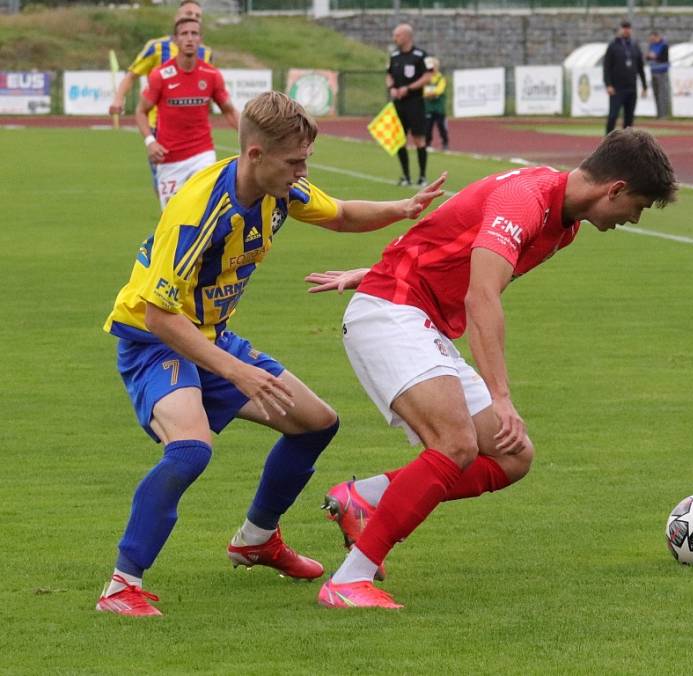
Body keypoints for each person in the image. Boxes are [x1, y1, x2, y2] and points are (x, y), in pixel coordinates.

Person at [95, 91, 446, 617]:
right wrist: (238, 372)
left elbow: (343, 214)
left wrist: (402, 208)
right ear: (256, 155)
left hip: (210, 336)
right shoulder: (199, 212)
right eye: (296, 161)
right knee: (191, 451)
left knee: (316, 423)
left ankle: (256, 539)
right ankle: (121, 587)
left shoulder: (279, 188)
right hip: (155, 343)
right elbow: (158, 316)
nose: (304, 172)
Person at [305, 128, 677, 609]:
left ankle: (365, 497)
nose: (634, 219)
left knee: (512, 456)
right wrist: (501, 396)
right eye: (639, 207)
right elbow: (482, 295)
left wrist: (379, 267)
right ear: (616, 189)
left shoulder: (564, 226)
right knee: (456, 443)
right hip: (392, 311)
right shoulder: (526, 199)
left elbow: (455, 232)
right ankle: (348, 582)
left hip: (416, 317)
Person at [108, 1, 213, 193]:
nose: (193, 18)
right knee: (165, 191)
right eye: (189, 13)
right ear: (177, 19)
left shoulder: (205, 53)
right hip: (160, 130)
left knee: (200, 192)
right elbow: (132, 74)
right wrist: (118, 98)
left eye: (198, 16)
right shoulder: (157, 48)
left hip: (194, 134)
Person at [136, 17, 238, 210]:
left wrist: (252, 138)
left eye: (194, 33)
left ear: (200, 39)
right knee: (174, 221)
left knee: (205, 213)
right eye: (184, 34)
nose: (189, 38)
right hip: (170, 160)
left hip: (202, 155)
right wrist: (150, 142)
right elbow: (141, 111)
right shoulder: (160, 75)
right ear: (175, 40)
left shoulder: (211, 75)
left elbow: (230, 112)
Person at [386, 23, 434, 187]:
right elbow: (389, 76)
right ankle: (406, 176)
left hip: (415, 102)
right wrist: (392, 87)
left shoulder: (421, 55)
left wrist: (409, 88)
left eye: (397, 35)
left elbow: (429, 76)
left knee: (419, 139)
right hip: (399, 104)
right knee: (400, 139)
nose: (395, 38)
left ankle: (422, 177)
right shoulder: (394, 56)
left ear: (406, 36)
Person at [603, 20, 647, 135]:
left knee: (629, 119)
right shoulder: (613, 46)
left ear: (631, 30)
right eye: (624, 27)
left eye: (628, 28)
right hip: (617, 88)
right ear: (620, 30)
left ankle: (627, 144)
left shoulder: (635, 46)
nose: (626, 30)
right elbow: (606, 67)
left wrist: (644, 86)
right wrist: (608, 84)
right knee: (613, 116)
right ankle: (607, 141)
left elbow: (640, 67)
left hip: (631, 87)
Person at [423, 57, 449, 152]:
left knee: (441, 126)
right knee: (428, 126)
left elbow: (440, 90)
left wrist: (432, 94)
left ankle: (445, 143)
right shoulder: (425, 78)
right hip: (428, 107)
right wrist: (429, 94)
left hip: (439, 107)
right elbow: (423, 91)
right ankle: (428, 143)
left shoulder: (441, 78)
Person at [646, 31, 670, 119]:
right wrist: (651, 56)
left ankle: (664, 115)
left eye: (653, 38)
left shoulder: (664, 45)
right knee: (656, 94)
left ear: (657, 37)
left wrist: (654, 56)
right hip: (653, 71)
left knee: (662, 94)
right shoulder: (651, 45)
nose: (651, 40)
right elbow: (648, 57)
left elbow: (663, 57)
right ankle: (658, 114)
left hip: (662, 72)